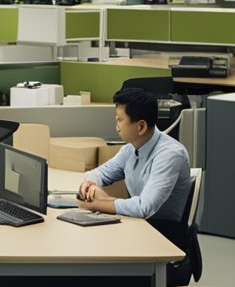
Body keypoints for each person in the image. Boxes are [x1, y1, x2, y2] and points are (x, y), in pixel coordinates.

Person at [77, 87, 192, 221]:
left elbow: (144, 207)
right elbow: (101, 173)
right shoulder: (130, 149)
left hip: (164, 233)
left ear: (141, 127)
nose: (116, 127)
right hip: (138, 223)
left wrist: (98, 203)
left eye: (120, 120)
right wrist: (90, 183)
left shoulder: (170, 155)